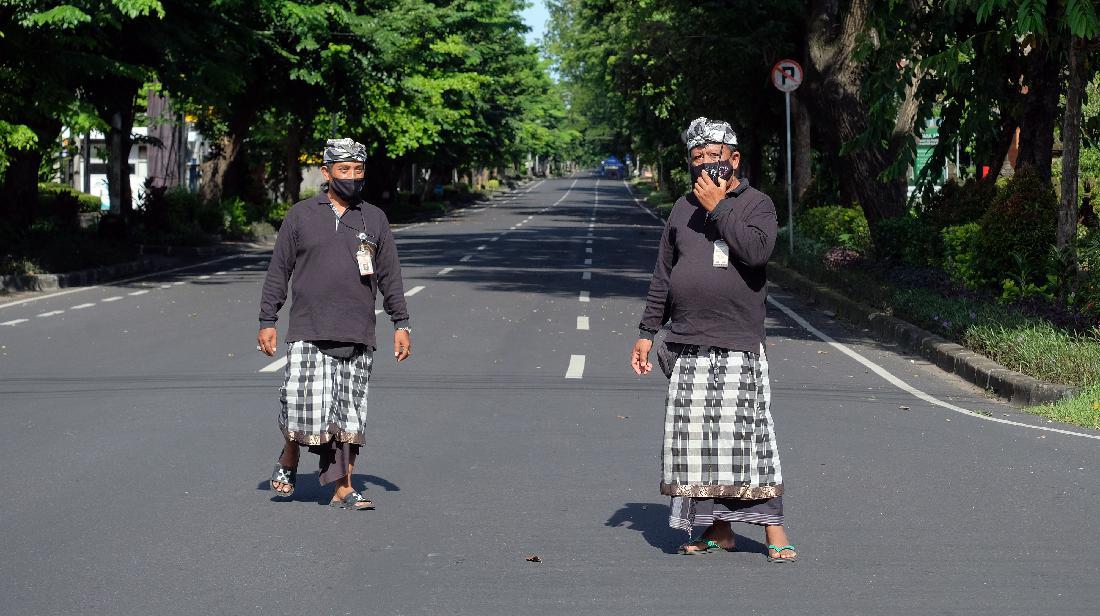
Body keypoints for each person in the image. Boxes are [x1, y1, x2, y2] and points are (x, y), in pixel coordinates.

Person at [630, 117, 797, 562]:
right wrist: (648, 332)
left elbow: (758, 252)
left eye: (713, 156)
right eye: (697, 157)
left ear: (734, 159)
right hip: (686, 343)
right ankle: (716, 530)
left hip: (738, 343)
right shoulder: (682, 208)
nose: (705, 164)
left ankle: (774, 533)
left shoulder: (756, 204)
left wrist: (719, 207)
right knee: (698, 451)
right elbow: (663, 276)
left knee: (751, 443)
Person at [257, 137, 412, 510]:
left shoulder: (373, 218)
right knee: (300, 406)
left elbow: (389, 274)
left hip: (357, 329)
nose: (352, 177)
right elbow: (280, 269)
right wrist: (268, 318)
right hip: (308, 327)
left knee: (349, 413)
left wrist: (401, 323)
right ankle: (290, 454)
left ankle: (343, 485)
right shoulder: (301, 215)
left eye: (358, 171)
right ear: (326, 173)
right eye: (344, 170)